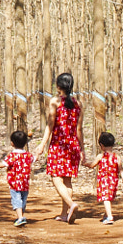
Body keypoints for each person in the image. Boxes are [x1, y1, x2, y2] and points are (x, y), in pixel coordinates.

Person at [42, 73, 83, 223]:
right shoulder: (78, 104)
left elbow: (50, 126)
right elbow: (79, 130)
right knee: (67, 179)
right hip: (73, 146)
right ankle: (65, 213)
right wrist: (82, 149)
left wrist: (42, 144)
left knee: (55, 177)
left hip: (59, 145)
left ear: (59, 86)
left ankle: (72, 204)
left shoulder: (55, 101)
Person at [0, 130, 34, 226]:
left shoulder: (12, 156)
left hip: (14, 183)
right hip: (25, 183)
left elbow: (3, 164)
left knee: (16, 199)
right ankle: (21, 216)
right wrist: (39, 152)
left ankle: (20, 218)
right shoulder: (28, 155)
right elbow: (34, 158)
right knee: (23, 199)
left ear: (12, 143)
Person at [94, 131, 123, 224]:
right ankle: (106, 215)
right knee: (109, 198)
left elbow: (92, 165)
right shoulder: (117, 157)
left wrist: (84, 162)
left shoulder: (101, 156)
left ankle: (110, 217)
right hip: (113, 181)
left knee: (105, 198)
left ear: (101, 145)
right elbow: (121, 170)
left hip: (104, 181)